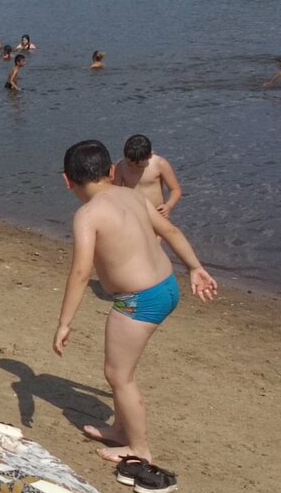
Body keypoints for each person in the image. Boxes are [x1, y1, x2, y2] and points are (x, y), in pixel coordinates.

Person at [54, 139, 217, 466]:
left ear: (67, 180)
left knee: (119, 375)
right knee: (121, 370)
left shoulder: (87, 215)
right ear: (112, 171)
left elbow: (82, 272)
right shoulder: (132, 195)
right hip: (167, 286)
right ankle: (119, 429)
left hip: (139, 300)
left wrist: (64, 323)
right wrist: (195, 267)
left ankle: (138, 447)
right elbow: (170, 232)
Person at [112, 135, 182, 219]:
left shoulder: (159, 164)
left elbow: (175, 190)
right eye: (130, 164)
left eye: (139, 166)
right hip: (134, 214)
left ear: (150, 155)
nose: (134, 168)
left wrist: (168, 206)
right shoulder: (121, 166)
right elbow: (115, 192)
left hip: (158, 213)